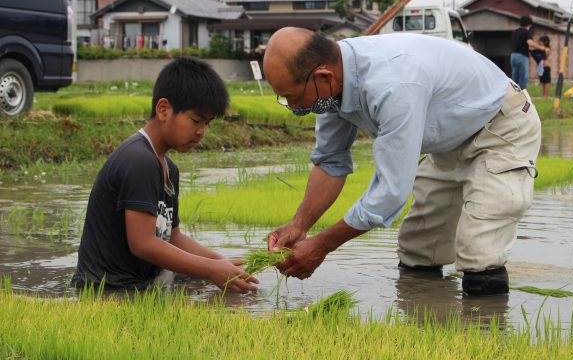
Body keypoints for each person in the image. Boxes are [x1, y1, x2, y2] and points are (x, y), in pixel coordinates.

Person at [264, 27, 541, 296]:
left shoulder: (393, 84)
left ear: (323, 76)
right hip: (448, 140)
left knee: (479, 252)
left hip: (501, 128)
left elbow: (392, 191)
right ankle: (423, 333)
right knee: (418, 250)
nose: (294, 107)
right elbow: (330, 163)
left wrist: (321, 245)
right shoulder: (330, 89)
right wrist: (299, 225)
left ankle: (485, 335)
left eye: (293, 98)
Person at [72, 57, 258, 293]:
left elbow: (173, 237)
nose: (201, 132)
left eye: (207, 123)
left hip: (141, 286)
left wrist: (222, 263)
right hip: (107, 292)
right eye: (196, 120)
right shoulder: (139, 161)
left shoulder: (168, 168)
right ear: (163, 110)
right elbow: (142, 243)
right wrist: (211, 270)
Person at [510, 15, 546, 90]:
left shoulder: (515, 32)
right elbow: (530, 43)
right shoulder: (526, 32)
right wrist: (540, 47)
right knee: (524, 77)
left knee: (515, 77)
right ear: (529, 24)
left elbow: (524, 45)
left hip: (513, 56)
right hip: (522, 56)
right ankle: (523, 94)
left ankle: (513, 93)